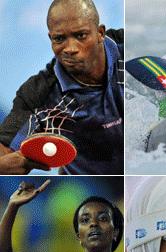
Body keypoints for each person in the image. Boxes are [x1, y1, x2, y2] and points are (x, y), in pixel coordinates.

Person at [0, 0, 123, 175]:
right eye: (59, 39)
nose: (70, 49)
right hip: (98, 183)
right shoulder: (36, 94)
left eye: (80, 35)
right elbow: (4, 148)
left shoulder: (127, 47)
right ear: (51, 38)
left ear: (100, 33)